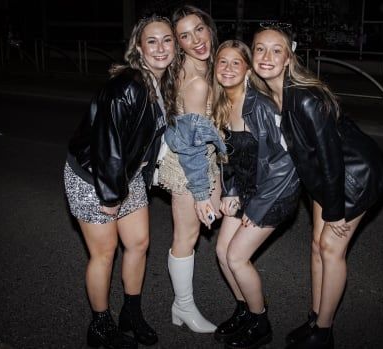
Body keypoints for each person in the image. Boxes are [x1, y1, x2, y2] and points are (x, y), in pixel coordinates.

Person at [252, 25, 383, 348]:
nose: (267, 56)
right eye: (260, 49)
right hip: (323, 177)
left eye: (276, 50)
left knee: (331, 248)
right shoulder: (273, 92)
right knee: (315, 245)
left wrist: (336, 211)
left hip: (353, 175)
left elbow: (331, 158)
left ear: (289, 58)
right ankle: (316, 317)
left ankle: (323, 332)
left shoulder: (304, 96)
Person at [64, 14, 176, 349]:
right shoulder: (127, 86)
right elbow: (107, 143)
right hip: (93, 176)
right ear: (138, 48)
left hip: (125, 174)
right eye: (151, 41)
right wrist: (111, 198)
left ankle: (131, 312)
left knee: (139, 243)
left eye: (167, 40)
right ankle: (99, 325)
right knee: (104, 252)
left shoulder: (161, 83)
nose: (160, 48)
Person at [211, 40, 301, 348]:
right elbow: (231, 156)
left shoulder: (259, 105)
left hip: (274, 193)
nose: (228, 68)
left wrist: (257, 208)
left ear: (248, 70)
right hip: (248, 189)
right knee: (222, 252)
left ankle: (260, 322)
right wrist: (230, 191)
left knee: (237, 257)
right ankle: (244, 310)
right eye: (222, 62)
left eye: (236, 62)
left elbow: (285, 162)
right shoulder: (223, 103)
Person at [156, 4, 221, 333]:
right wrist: (200, 194)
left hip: (200, 161)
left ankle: (182, 306)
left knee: (194, 233)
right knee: (186, 236)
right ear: (178, 43)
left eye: (199, 29)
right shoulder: (196, 82)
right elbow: (193, 145)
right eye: (184, 35)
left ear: (209, 27)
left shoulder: (206, 68)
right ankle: (183, 307)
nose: (196, 39)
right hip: (187, 169)